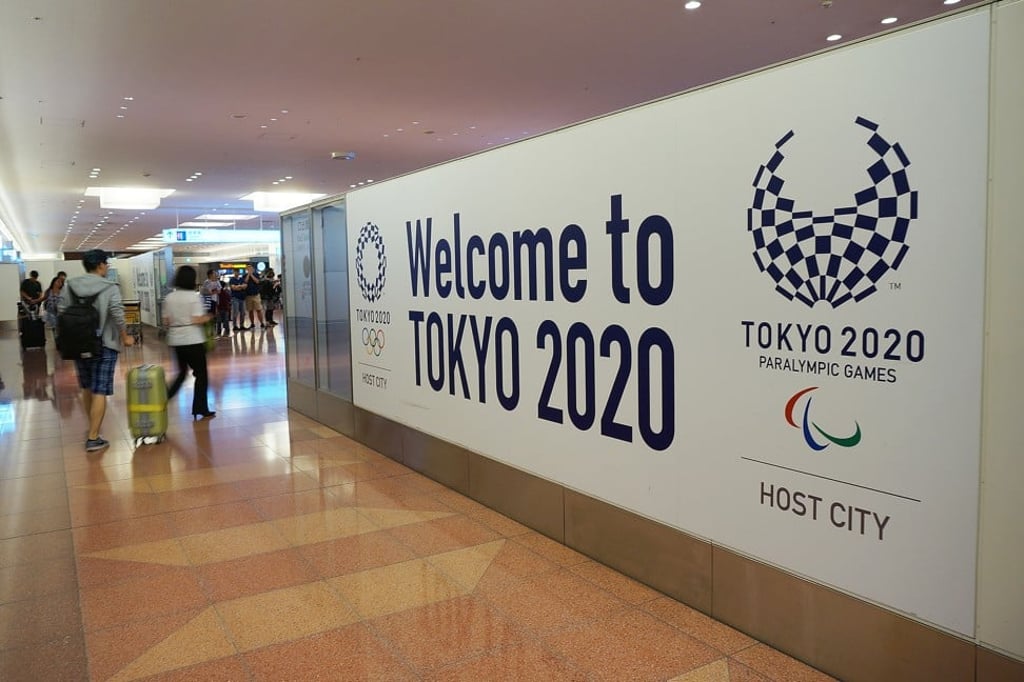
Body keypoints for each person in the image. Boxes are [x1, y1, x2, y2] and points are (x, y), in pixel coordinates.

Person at [59, 250, 135, 452]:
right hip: (103, 344)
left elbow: (61, 311)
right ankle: (93, 438)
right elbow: (117, 313)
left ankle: (93, 428)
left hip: (78, 343)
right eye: (107, 264)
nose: (107, 267)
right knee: (100, 389)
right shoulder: (109, 287)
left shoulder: (70, 285)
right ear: (100, 265)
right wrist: (125, 336)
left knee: (86, 386)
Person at [163, 265, 215, 419]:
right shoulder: (193, 297)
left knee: (181, 373)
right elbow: (197, 319)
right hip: (193, 340)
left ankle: (163, 397)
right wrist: (209, 317)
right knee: (201, 374)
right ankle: (200, 408)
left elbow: (166, 321)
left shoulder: (169, 297)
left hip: (175, 339)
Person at [243, 263, 266, 329]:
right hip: (248, 295)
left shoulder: (256, 275)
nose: (249, 269)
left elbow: (257, 281)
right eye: (248, 269)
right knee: (250, 310)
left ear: (253, 269)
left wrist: (251, 275)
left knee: (259, 309)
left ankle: (262, 323)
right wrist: (248, 275)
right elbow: (245, 282)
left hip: (256, 295)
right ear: (246, 269)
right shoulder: (245, 276)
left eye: (251, 268)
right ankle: (252, 324)